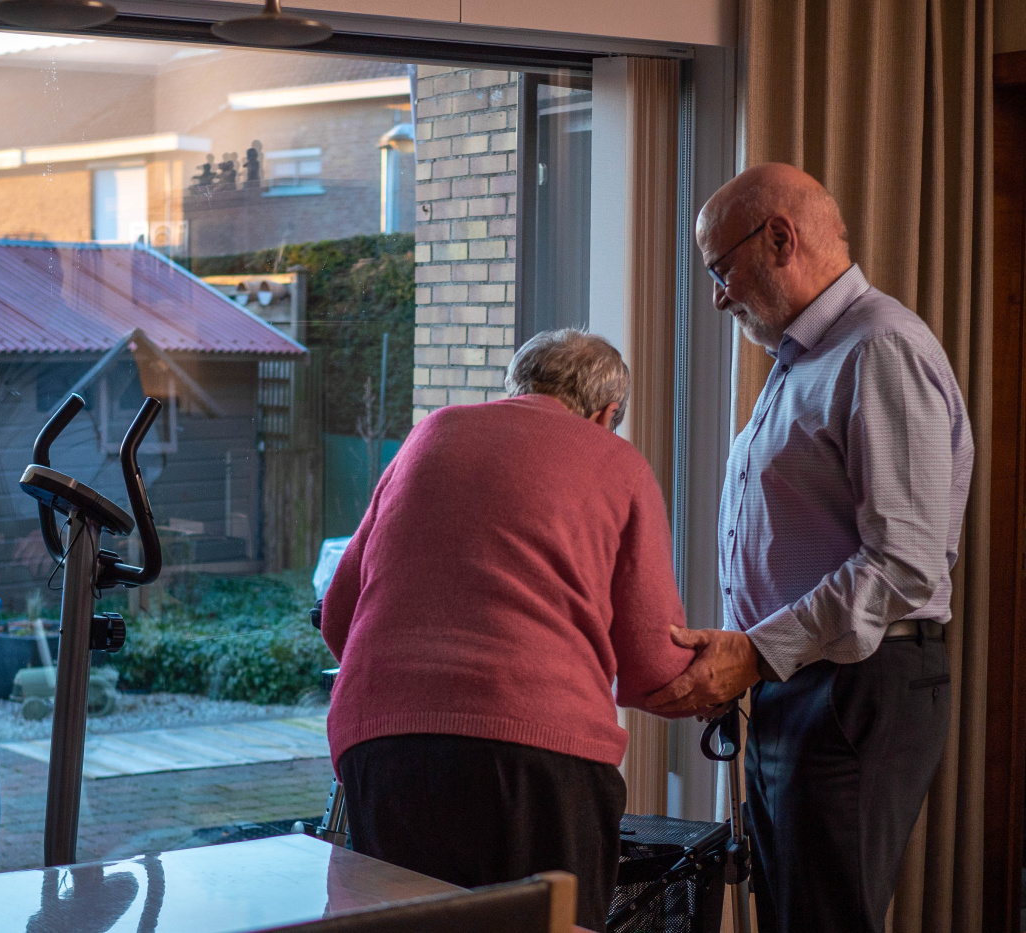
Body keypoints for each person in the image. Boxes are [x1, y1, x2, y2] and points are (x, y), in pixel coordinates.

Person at [647, 163, 973, 933]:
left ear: (780, 238)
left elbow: (904, 562)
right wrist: (752, 657)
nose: (720, 295)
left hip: (859, 686)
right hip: (803, 680)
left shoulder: (881, 348)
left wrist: (756, 652)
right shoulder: (804, 359)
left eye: (720, 270)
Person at [320, 329, 695, 931]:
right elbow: (654, 663)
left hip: (385, 748)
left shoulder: (431, 433)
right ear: (607, 414)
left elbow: (340, 616)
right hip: (536, 752)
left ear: (516, 388)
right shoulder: (617, 462)